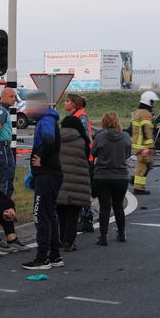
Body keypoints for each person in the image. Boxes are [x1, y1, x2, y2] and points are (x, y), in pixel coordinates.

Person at [22, 100, 64, 270]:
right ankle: (54, 256)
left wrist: (42, 159)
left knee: (41, 215)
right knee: (51, 215)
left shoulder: (46, 120)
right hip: (52, 174)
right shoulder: (50, 119)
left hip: (46, 175)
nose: (28, 110)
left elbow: (48, 140)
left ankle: (42, 258)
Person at [92, 112, 131, 245]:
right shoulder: (125, 136)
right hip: (120, 176)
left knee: (105, 207)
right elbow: (127, 154)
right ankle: (121, 234)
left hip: (102, 176)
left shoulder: (100, 136)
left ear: (103, 122)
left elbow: (93, 153)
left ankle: (103, 236)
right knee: (118, 206)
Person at [57, 115, 92, 252]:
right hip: (78, 182)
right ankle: (69, 242)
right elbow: (87, 158)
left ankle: (60, 239)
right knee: (73, 213)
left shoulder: (56, 138)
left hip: (59, 180)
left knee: (60, 213)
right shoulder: (82, 140)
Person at [63, 93, 96, 233]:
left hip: (83, 159)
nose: (65, 103)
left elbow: (85, 138)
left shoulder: (80, 117)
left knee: (82, 190)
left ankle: (86, 218)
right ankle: (84, 218)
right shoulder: (76, 116)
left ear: (74, 104)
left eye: (67, 101)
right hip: (79, 158)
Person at [0, 87, 18, 199]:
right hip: (2, 149)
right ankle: (3, 208)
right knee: (6, 180)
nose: (14, 99)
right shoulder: (1, 111)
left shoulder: (3, 110)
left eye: (14, 96)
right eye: (11, 96)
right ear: (3, 96)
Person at [131, 90, 158, 195]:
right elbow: (146, 130)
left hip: (138, 145)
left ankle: (137, 183)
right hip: (144, 146)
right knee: (145, 165)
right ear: (149, 101)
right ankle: (138, 187)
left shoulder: (138, 112)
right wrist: (150, 145)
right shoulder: (146, 114)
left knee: (144, 165)